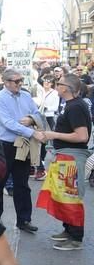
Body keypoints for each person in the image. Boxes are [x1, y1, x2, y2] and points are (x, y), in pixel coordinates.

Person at [39, 74, 92, 251]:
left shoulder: (75, 106)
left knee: (71, 197)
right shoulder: (72, 105)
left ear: (66, 88)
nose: (56, 86)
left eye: (59, 83)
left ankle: (76, 238)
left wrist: (53, 135)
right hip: (65, 156)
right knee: (63, 195)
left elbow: (82, 136)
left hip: (71, 157)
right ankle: (68, 230)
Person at [0, 69, 44, 234]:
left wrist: (31, 119)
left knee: (22, 183)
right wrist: (32, 132)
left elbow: (37, 114)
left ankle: (24, 220)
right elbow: (8, 123)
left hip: (23, 145)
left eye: (21, 80)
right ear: (6, 82)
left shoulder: (26, 96)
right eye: (16, 81)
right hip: (4, 145)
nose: (20, 83)